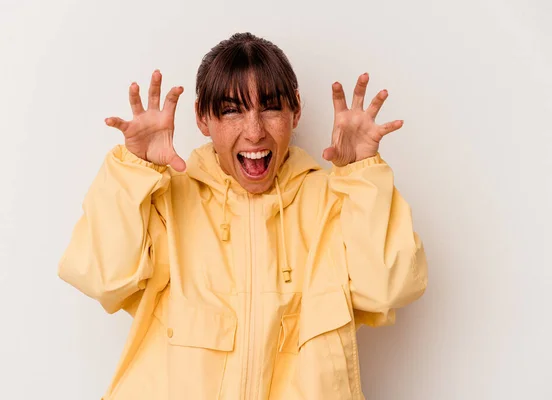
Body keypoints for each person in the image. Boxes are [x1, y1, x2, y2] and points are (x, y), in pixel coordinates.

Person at [58, 32, 428, 400]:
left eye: (269, 107)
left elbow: (389, 288)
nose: (254, 132)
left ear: (295, 110)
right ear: (203, 119)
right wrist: (134, 169)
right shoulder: (166, 199)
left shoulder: (333, 202)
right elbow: (101, 278)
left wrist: (362, 171)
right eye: (232, 110)